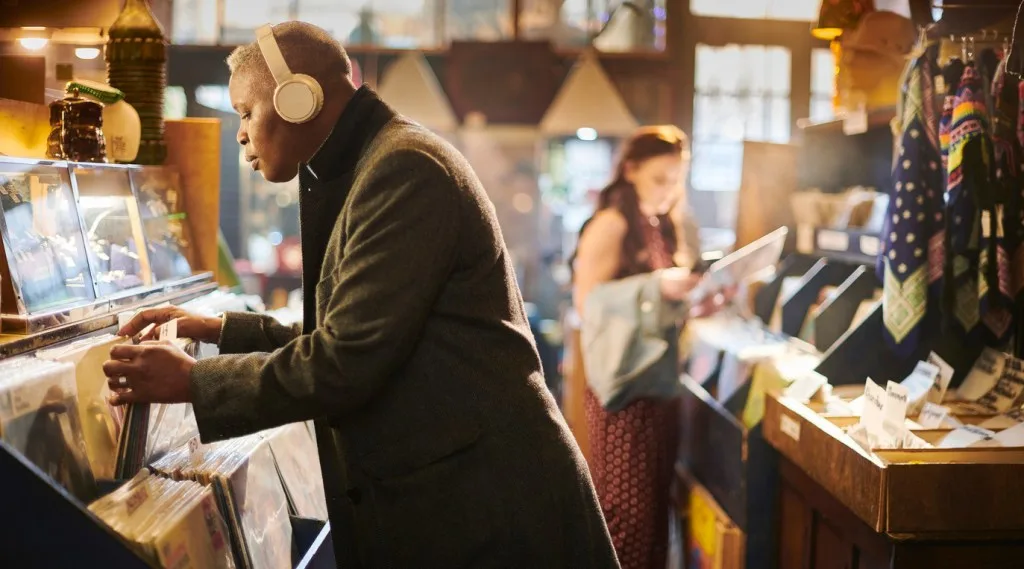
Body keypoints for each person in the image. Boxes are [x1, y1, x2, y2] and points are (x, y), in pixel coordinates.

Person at [103, 21, 619, 569]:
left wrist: (192, 382)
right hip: (459, 497)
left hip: (489, 503)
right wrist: (217, 329)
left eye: (246, 111)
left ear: (298, 99)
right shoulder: (371, 164)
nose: (240, 134)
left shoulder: (404, 169)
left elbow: (346, 360)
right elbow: (357, 331)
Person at [571, 126, 711, 569]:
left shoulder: (661, 225)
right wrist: (657, 285)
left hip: (660, 385)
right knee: (626, 513)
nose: (669, 190)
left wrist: (700, 298)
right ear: (630, 171)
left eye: (675, 180)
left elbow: (661, 305)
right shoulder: (612, 223)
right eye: (659, 179)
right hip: (625, 390)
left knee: (654, 514)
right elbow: (587, 304)